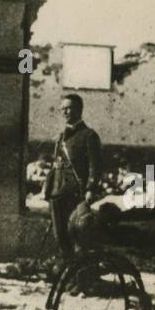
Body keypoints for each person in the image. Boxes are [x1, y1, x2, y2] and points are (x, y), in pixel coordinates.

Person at [42, 92, 102, 259]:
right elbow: (56, 165)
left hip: (76, 192)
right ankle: (68, 273)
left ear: (79, 110)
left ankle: (82, 276)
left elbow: (95, 166)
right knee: (60, 235)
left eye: (69, 109)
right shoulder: (61, 137)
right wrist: (48, 189)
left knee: (77, 233)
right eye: (62, 109)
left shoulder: (89, 135)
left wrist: (91, 189)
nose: (64, 112)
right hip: (57, 192)